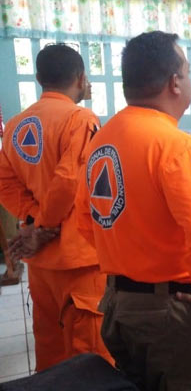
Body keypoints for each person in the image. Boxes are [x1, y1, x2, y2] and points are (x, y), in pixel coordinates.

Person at [74, 31, 191, 390]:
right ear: (175, 82)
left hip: (118, 305)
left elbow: (85, 221)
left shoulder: (100, 141)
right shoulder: (178, 147)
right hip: (172, 310)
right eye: (188, 72)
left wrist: (128, 257)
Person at [0, 44, 112, 371]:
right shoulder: (81, 118)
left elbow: (5, 185)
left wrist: (34, 221)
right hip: (77, 258)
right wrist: (46, 226)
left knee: (49, 348)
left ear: (38, 78)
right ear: (80, 77)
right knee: (90, 357)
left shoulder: (16, 126)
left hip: (42, 263)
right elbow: (69, 180)